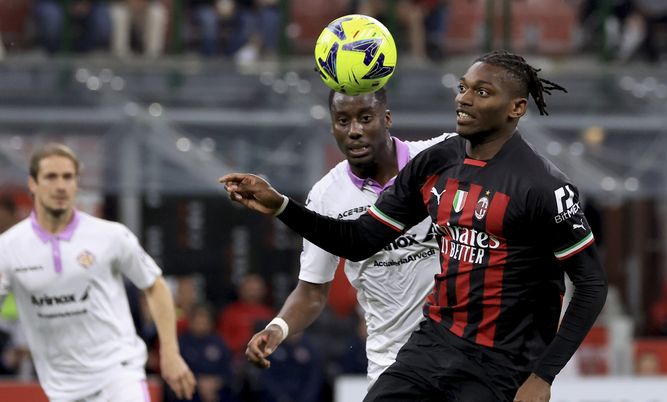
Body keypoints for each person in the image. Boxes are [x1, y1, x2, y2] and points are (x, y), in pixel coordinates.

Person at [221, 50, 608, 401]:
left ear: (516, 108)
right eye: (463, 88)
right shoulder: (437, 162)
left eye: (482, 92)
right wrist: (282, 207)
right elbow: (359, 241)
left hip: (502, 362)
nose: (464, 99)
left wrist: (543, 376)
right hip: (431, 346)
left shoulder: (545, 187)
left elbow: (591, 285)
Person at [244, 88, 454, 387]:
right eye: (342, 121)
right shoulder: (326, 196)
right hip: (393, 365)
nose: (354, 131)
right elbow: (312, 292)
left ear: (387, 118)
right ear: (332, 127)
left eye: (365, 118)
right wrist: (278, 328)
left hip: (463, 356)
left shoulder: (438, 160)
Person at [0, 143, 196, 401]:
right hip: (62, 388)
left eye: (68, 177)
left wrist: (171, 353)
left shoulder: (111, 235)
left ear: (76, 184)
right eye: (51, 177)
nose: (60, 186)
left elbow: (154, 285)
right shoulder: (8, 247)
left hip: (119, 375)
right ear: (33, 184)